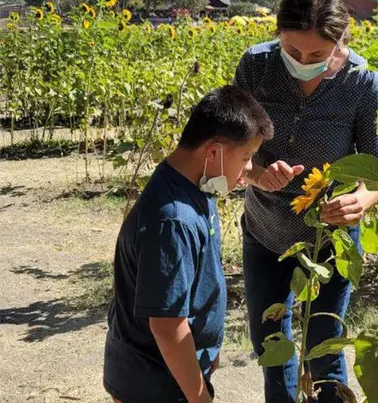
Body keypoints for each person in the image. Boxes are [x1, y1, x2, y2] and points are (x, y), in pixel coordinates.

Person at [234, 0, 378, 403]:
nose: (303, 61)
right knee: (271, 346)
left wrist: (362, 199)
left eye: (317, 55)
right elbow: (232, 150)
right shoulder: (255, 67)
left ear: (341, 41)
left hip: (331, 239)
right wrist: (255, 173)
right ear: (278, 36)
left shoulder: (363, 83)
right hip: (266, 232)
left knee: (325, 351)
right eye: (292, 51)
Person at [103, 86, 273, 403]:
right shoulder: (172, 221)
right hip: (156, 383)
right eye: (247, 158)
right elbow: (168, 327)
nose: (250, 168)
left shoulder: (192, 182)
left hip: (172, 373)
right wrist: (199, 398)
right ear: (213, 153)